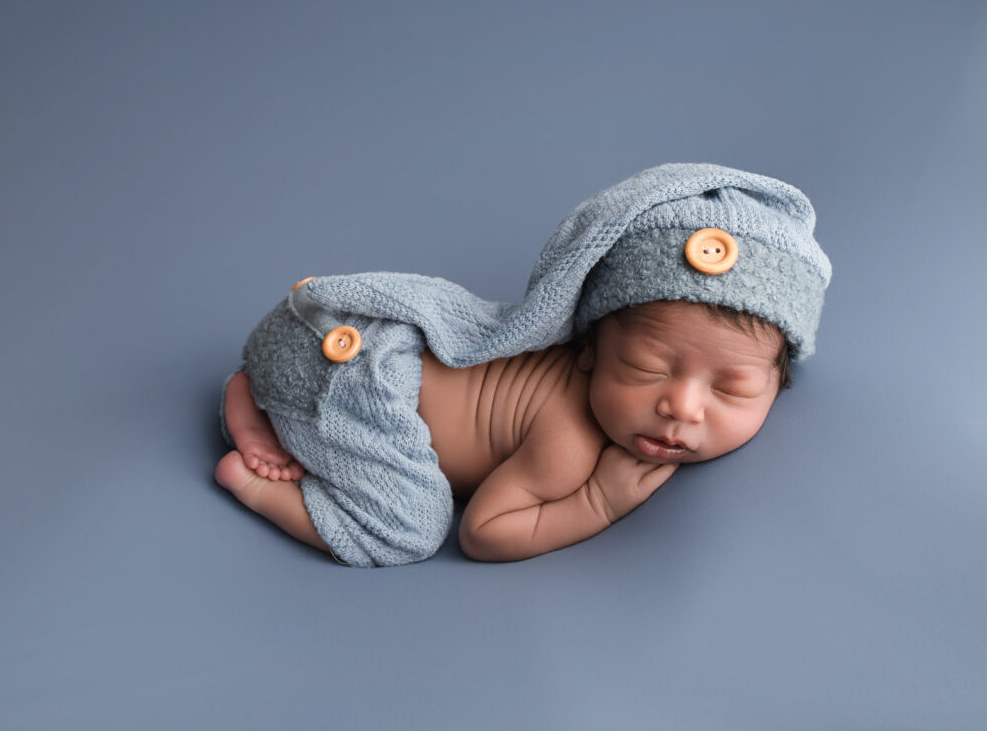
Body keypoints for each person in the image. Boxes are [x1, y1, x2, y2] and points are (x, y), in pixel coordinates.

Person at [214, 163, 831, 566]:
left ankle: (253, 398)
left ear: (779, 383)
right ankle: (254, 479)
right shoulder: (569, 441)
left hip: (320, 328)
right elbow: (483, 532)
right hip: (352, 373)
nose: (681, 406)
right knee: (407, 531)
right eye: (646, 369)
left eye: (733, 388)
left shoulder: (645, 384)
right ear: (588, 348)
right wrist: (598, 503)